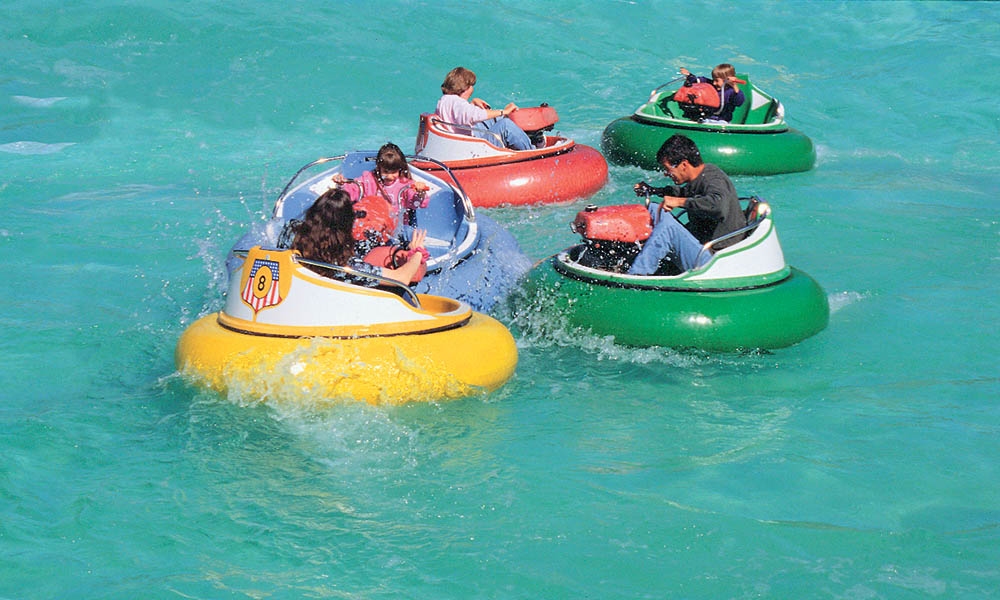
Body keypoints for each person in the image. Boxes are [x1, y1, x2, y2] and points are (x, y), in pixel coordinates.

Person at [628, 135, 746, 275]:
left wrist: (679, 202)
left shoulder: (714, 179)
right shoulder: (700, 177)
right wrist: (653, 190)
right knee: (654, 208)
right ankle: (637, 252)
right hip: (701, 248)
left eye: (668, 169)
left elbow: (718, 205)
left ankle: (636, 276)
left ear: (684, 165)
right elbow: (683, 192)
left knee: (669, 229)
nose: (666, 174)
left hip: (714, 259)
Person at [289, 188, 428, 286]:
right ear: (347, 224)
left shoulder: (291, 232)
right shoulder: (346, 266)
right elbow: (401, 278)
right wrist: (417, 252)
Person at [435, 66, 532, 151]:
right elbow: (474, 115)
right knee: (505, 125)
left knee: (495, 120)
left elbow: (459, 115)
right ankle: (532, 151)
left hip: (458, 143)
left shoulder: (445, 100)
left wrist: (472, 103)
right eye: (471, 86)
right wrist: (504, 111)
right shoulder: (458, 103)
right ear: (465, 87)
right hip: (470, 149)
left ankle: (523, 139)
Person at [329, 142, 430, 217]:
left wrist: (420, 192)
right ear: (378, 168)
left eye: (393, 172)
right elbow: (351, 192)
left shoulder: (405, 185)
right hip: (368, 222)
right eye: (385, 172)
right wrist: (341, 183)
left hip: (392, 226)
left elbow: (416, 203)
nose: (390, 176)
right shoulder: (368, 180)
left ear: (400, 170)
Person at [678, 63, 745, 123]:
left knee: (720, 124)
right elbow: (697, 80)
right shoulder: (709, 84)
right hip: (705, 116)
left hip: (721, 120)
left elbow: (739, 102)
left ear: (726, 80)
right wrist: (690, 75)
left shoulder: (731, 92)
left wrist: (734, 86)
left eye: (717, 80)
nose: (714, 83)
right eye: (713, 79)